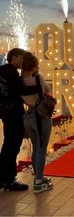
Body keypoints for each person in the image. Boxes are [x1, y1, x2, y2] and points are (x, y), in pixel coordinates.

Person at [0, 48, 39, 191]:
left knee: (7, 146)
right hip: (14, 114)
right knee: (12, 147)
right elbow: (22, 91)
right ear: (14, 57)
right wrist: (38, 87)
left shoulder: (2, 71)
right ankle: (9, 180)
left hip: (5, 113)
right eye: (21, 58)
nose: (23, 61)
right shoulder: (11, 72)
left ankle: (3, 178)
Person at [21, 51, 53, 193]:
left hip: (28, 117)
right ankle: (39, 182)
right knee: (41, 149)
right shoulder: (38, 79)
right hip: (41, 117)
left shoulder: (19, 81)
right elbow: (48, 90)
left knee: (35, 148)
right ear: (34, 66)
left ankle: (38, 177)